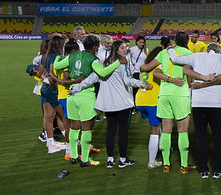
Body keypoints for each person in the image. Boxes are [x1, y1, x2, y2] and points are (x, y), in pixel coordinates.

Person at [167, 42, 221, 179]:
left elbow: (176, 59)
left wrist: (170, 50)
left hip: (198, 103)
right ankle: (217, 170)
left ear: (207, 50)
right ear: (218, 50)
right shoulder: (220, 57)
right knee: (217, 137)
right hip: (215, 104)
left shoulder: (195, 56)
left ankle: (203, 170)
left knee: (201, 137)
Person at [140, 32, 213, 174]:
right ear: (187, 41)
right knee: (182, 131)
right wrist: (204, 78)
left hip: (164, 94)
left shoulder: (164, 52)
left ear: (174, 41)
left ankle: (166, 165)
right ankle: (184, 166)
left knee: (166, 132)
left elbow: (150, 69)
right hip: (180, 94)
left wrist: (166, 78)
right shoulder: (187, 52)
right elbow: (188, 71)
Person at [53, 34, 118, 166]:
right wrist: (118, 62)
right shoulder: (93, 59)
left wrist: (58, 57)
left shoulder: (72, 56)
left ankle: (74, 156)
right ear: (95, 47)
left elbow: (57, 66)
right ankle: (85, 159)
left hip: (71, 95)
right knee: (87, 128)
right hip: (86, 96)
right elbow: (103, 73)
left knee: (74, 128)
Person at [94, 40, 152, 169]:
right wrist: (143, 84)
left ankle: (110, 160)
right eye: (122, 48)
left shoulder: (105, 63)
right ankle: (122, 160)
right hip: (122, 103)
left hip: (108, 104)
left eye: (125, 47)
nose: (125, 50)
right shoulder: (122, 63)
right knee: (123, 132)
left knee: (110, 130)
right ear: (116, 50)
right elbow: (127, 81)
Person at [37, 35, 68, 153]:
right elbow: (52, 73)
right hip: (52, 89)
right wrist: (54, 83)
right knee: (63, 115)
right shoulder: (57, 57)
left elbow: (40, 73)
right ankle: (69, 141)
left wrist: (46, 79)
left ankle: (51, 144)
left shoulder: (44, 56)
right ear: (59, 45)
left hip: (44, 88)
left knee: (48, 116)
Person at [136, 46, 164, 169]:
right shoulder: (159, 67)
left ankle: (163, 146)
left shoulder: (144, 67)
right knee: (154, 131)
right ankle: (151, 161)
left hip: (140, 100)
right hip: (152, 101)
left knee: (158, 125)